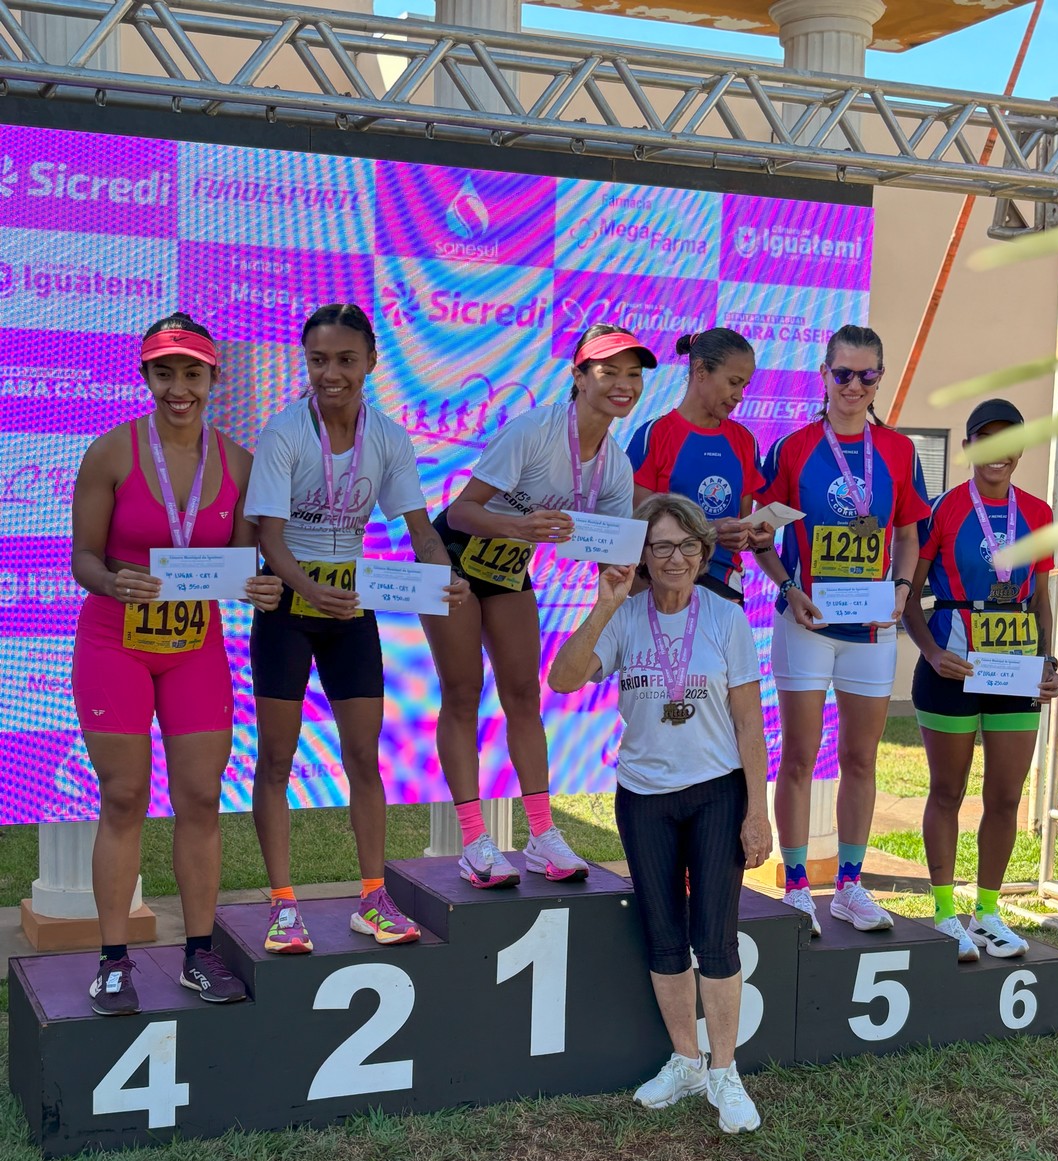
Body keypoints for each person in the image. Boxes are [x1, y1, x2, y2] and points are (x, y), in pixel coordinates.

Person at [70, 312, 282, 1016]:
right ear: (146, 377)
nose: (178, 388)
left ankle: (197, 955)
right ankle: (112, 961)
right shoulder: (110, 453)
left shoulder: (240, 464)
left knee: (198, 798)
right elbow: (83, 560)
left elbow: (252, 562)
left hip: (194, 650)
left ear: (213, 378)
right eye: (165, 373)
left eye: (192, 373)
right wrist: (112, 581)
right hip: (115, 643)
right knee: (124, 797)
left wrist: (261, 584)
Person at [244, 303, 466, 954]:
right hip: (289, 609)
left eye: (345, 360)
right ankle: (284, 907)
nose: (330, 373)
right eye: (318, 361)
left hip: (351, 610)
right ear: (305, 363)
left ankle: (373, 896)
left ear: (371, 361)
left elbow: (419, 528)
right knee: (278, 759)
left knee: (364, 758)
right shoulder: (285, 432)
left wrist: (441, 571)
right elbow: (269, 537)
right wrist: (308, 588)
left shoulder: (388, 437)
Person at [549, 493, 772, 1132]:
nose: (674, 558)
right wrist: (603, 606)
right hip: (643, 795)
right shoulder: (626, 615)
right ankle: (686, 1060)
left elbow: (749, 724)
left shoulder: (726, 618)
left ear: (704, 554)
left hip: (716, 790)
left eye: (686, 546)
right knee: (664, 933)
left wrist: (758, 811)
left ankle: (726, 1074)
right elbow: (564, 679)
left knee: (716, 934)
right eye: (659, 546)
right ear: (642, 555)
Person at [427, 323, 656, 889]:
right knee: (462, 693)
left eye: (634, 375)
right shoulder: (533, 430)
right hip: (450, 560)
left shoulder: (615, 463)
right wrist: (519, 525)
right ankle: (475, 841)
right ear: (578, 377)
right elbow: (460, 512)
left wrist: (622, 573)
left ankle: (541, 834)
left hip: (506, 570)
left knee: (524, 695)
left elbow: (609, 545)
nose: (623, 385)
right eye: (608, 372)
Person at [756, 324, 930, 937]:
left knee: (860, 758)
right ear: (823, 375)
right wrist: (787, 588)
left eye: (867, 375)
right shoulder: (794, 447)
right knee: (800, 757)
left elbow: (908, 535)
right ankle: (799, 885)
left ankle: (850, 886)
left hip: (873, 626)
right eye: (843, 374)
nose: (854, 386)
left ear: (879, 378)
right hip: (808, 622)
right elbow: (760, 534)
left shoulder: (900, 452)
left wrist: (904, 592)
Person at [902, 399, 1058, 959]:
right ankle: (946, 912)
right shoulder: (942, 510)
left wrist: (1048, 662)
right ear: (969, 448)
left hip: (1014, 671)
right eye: (984, 439)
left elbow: (1040, 600)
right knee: (947, 791)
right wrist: (929, 652)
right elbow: (910, 603)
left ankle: (988, 911)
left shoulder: (1039, 513)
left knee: (1006, 796)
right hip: (952, 667)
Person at [628, 328, 771, 604]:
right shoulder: (654, 435)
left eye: (745, 385)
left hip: (723, 587)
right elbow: (637, 528)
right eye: (733, 382)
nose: (740, 395)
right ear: (701, 370)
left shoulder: (745, 442)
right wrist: (710, 529)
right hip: (661, 586)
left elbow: (741, 524)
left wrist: (752, 535)